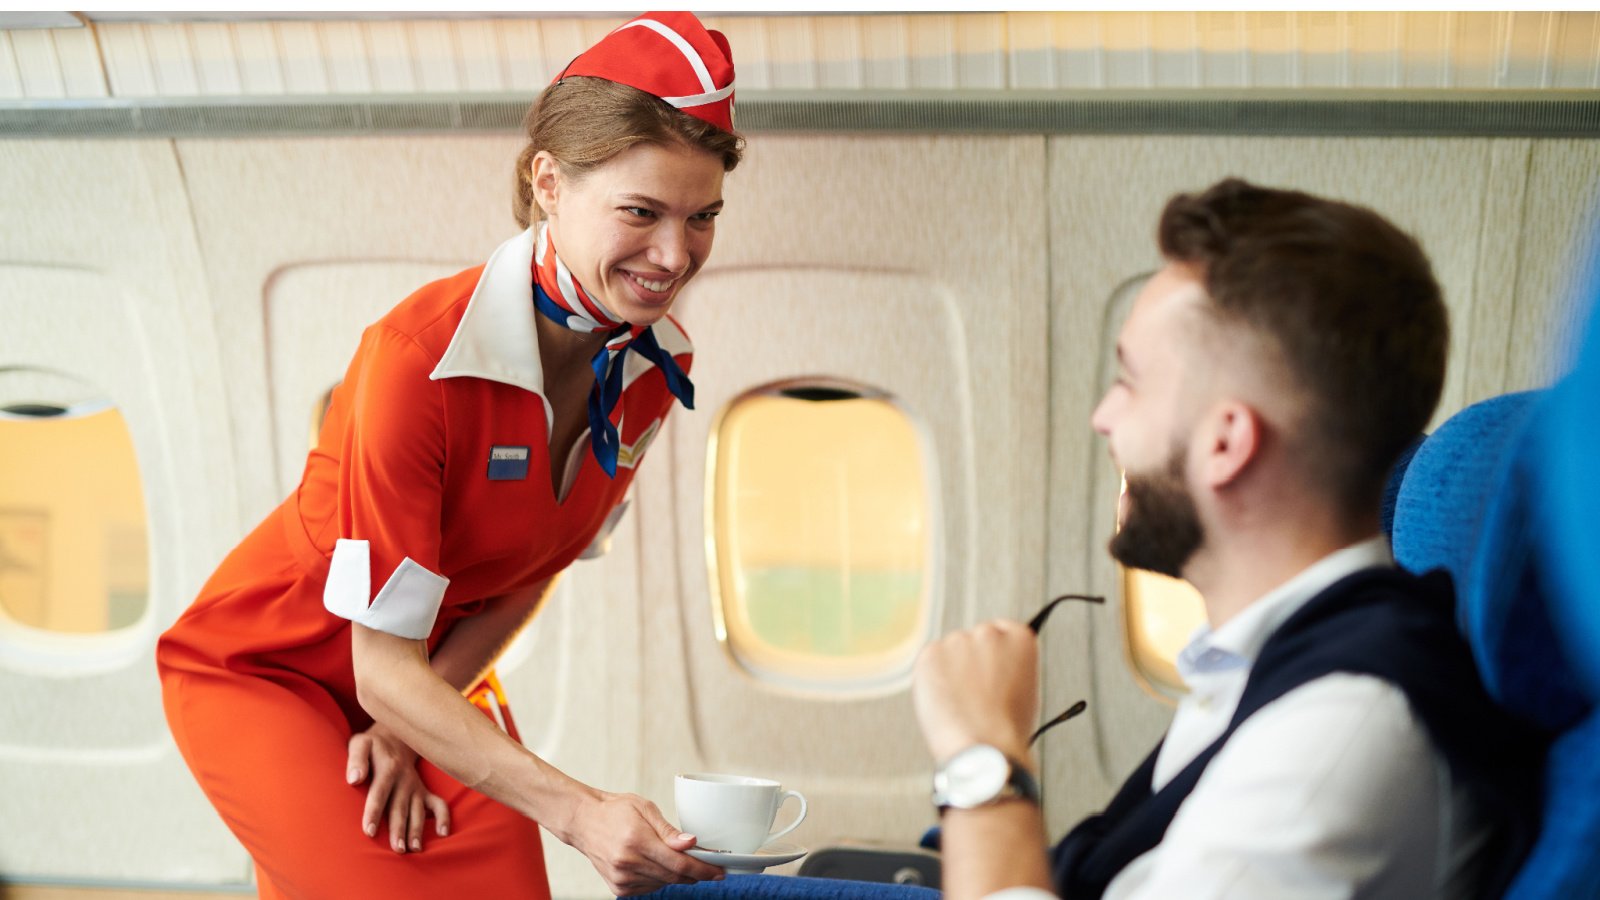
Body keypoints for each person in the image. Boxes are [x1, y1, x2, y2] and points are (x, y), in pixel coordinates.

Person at [157, 12, 741, 899]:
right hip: (271, 668)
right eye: (641, 211)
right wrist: (580, 811)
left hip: (420, 678)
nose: (675, 255)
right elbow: (374, 667)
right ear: (548, 181)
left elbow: (529, 571)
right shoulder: (416, 362)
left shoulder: (659, 368)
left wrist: (409, 720)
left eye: (702, 217)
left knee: (502, 882)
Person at [912, 179, 1543, 900]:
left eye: (1131, 382)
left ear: (1226, 442)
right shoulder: (1262, 666)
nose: (1103, 417)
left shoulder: (1336, 735)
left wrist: (982, 756)